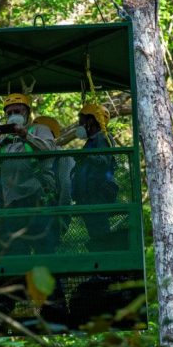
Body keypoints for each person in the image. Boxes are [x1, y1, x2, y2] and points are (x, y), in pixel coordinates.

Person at [0, 93, 56, 254]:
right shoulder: (4, 139)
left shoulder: (39, 130)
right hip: (12, 203)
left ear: (27, 112)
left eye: (17, 111)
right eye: (9, 113)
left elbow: (50, 150)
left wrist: (25, 135)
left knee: (44, 249)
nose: (13, 116)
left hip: (37, 197)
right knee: (17, 251)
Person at [70, 103, 119, 249]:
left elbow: (103, 161)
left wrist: (84, 156)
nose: (79, 125)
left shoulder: (103, 137)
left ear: (90, 121)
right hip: (87, 197)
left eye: (81, 120)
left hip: (98, 195)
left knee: (101, 234)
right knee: (95, 234)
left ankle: (107, 263)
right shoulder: (91, 142)